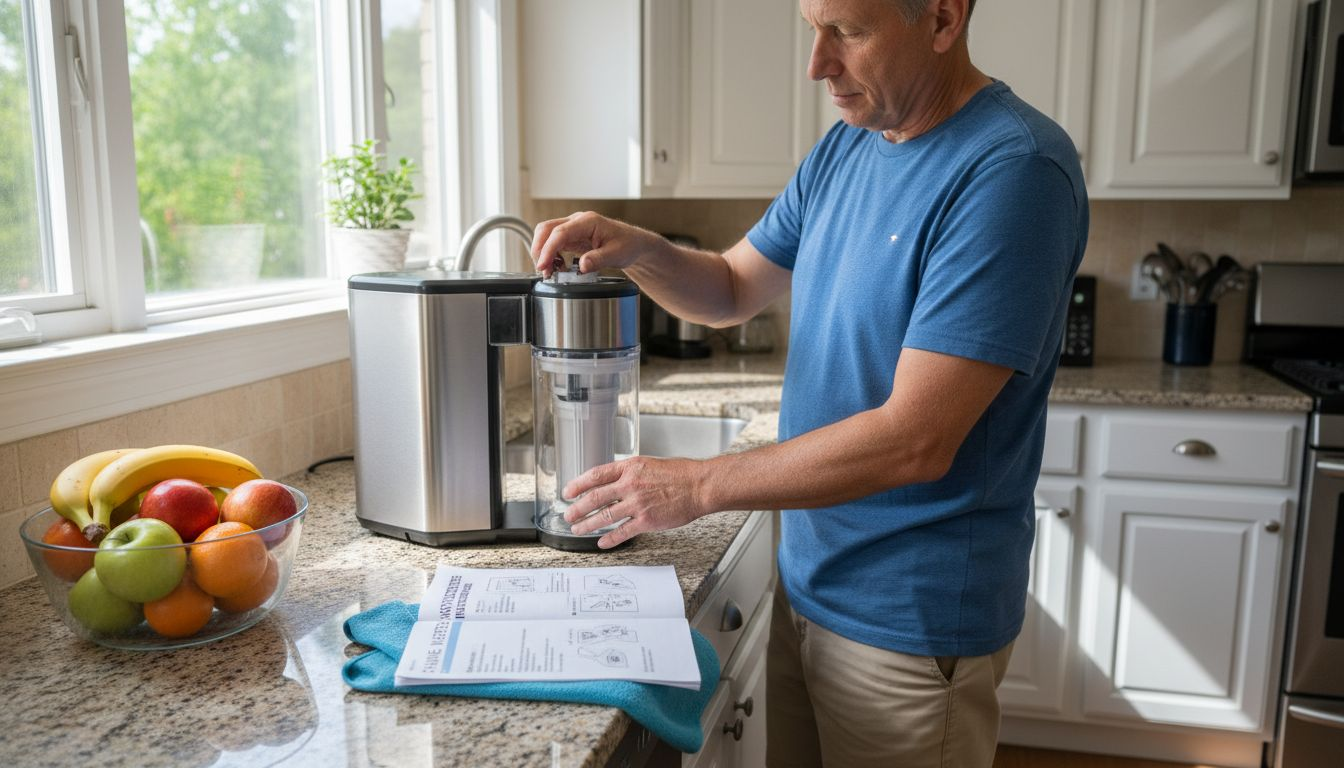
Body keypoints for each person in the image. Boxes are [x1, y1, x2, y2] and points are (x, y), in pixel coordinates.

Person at [529, 0, 1088, 764]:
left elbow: (916, 439)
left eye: (848, 33)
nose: (817, 64)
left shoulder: (1012, 171)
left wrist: (697, 488)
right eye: (812, 29)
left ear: (943, 18)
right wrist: (640, 249)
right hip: (808, 586)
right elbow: (729, 288)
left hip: (908, 626)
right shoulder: (847, 147)